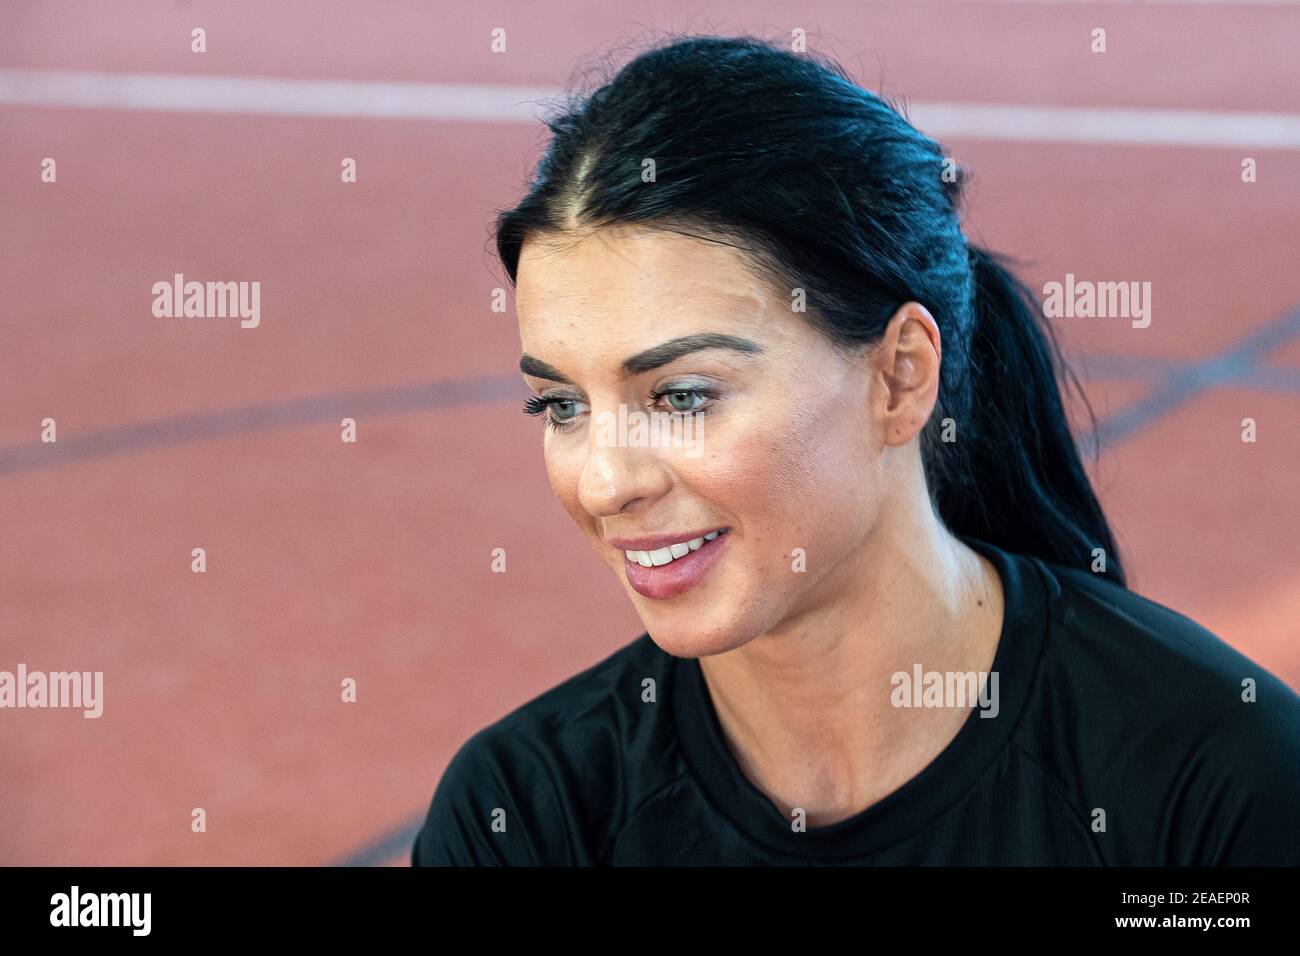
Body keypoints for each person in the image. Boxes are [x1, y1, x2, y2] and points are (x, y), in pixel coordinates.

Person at [412, 35, 1300, 865]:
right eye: (561, 405)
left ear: (900, 378)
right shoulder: (526, 819)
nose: (605, 482)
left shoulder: (1210, 783)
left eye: (682, 396)